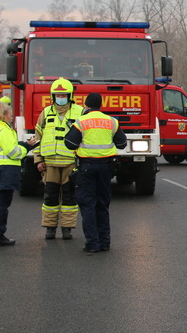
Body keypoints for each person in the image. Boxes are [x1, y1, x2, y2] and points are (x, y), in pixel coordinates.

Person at [64, 93, 126, 253]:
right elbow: (122, 143)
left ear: (86, 105)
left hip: (87, 168)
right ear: (101, 105)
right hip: (106, 168)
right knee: (102, 205)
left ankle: (92, 243)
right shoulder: (112, 121)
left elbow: (70, 144)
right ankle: (105, 243)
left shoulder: (81, 121)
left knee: (87, 205)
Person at [35, 78, 84, 240]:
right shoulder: (45, 112)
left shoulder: (80, 112)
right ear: (53, 96)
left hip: (71, 163)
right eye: (57, 95)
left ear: (70, 96)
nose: (60, 97)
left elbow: (86, 137)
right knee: (50, 196)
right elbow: (37, 138)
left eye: (63, 94)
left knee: (70, 197)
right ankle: (50, 228)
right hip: (50, 164)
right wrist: (38, 159)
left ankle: (67, 228)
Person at [0, 100, 36, 246]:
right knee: (2, 205)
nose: (12, 117)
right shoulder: (4, 131)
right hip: (4, 171)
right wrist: (26, 149)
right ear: (4, 115)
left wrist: (26, 144)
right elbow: (13, 152)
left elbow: (7, 147)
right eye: (10, 115)